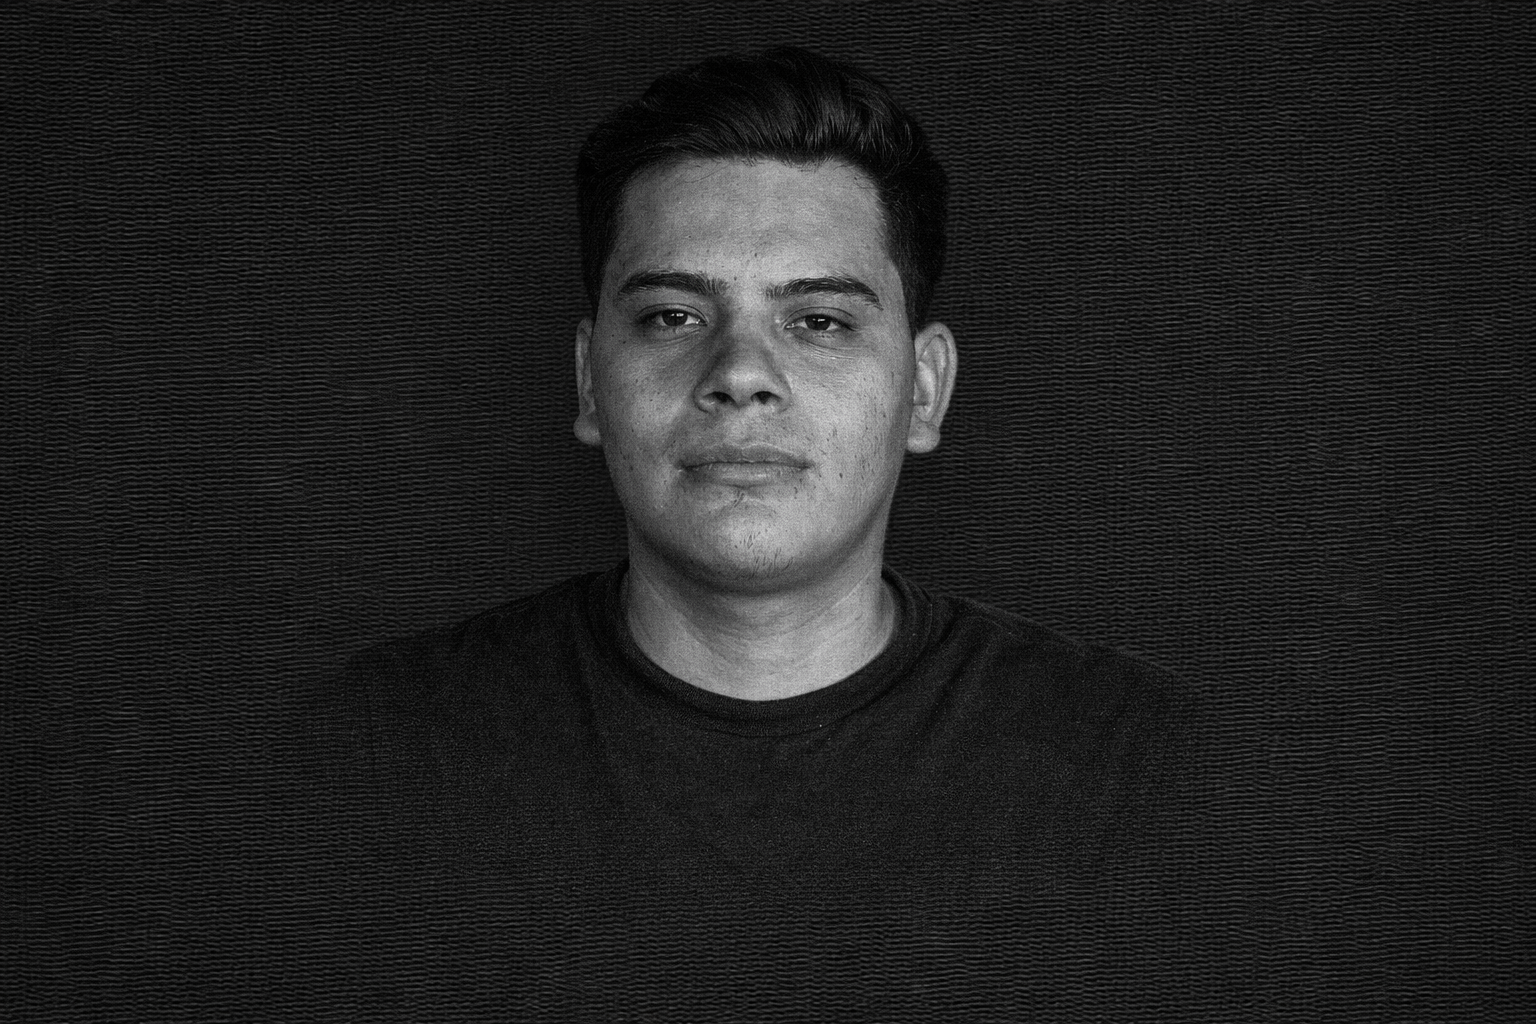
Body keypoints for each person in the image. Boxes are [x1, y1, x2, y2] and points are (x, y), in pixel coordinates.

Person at [294, 46, 1209, 1021]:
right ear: (590, 380)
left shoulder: (1144, 772)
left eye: (817, 320)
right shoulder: (371, 755)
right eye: (673, 314)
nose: (739, 372)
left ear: (924, 389)